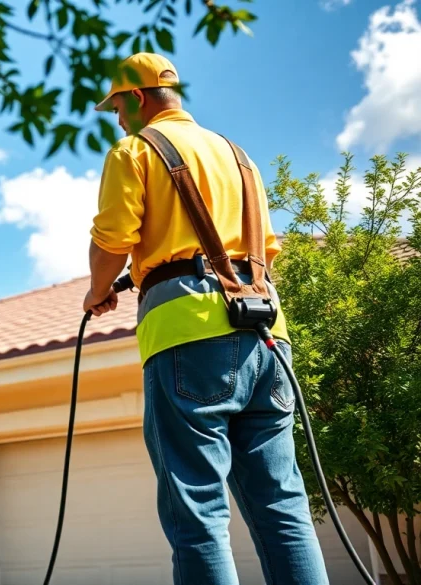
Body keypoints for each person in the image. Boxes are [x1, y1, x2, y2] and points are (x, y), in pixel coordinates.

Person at [82, 53, 330, 585]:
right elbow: (267, 249)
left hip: (187, 332)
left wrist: (98, 291)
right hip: (267, 336)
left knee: (197, 511)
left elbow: (112, 241)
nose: (117, 119)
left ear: (139, 98)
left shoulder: (135, 150)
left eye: (118, 108)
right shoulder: (239, 157)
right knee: (283, 506)